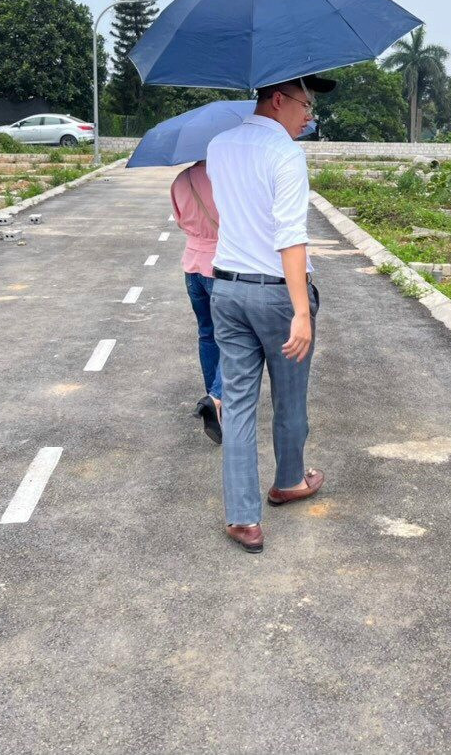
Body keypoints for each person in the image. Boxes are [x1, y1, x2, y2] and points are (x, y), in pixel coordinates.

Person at [205, 74, 334, 554]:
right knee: (290, 397)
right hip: (277, 295)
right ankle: (289, 480)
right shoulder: (284, 153)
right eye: (305, 105)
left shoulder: (219, 146)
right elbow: (289, 236)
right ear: (277, 100)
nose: (308, 116)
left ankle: (243, 518)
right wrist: (302, 311)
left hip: (228, 289)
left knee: (237, 404)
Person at [170, 160, 223, 444]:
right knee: (236, 337)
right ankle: (217, 398)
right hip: (221, 266)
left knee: (207, 334)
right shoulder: (225, 177)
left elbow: (180, 220)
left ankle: (213, 396)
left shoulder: (181, 180)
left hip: (191, 265)